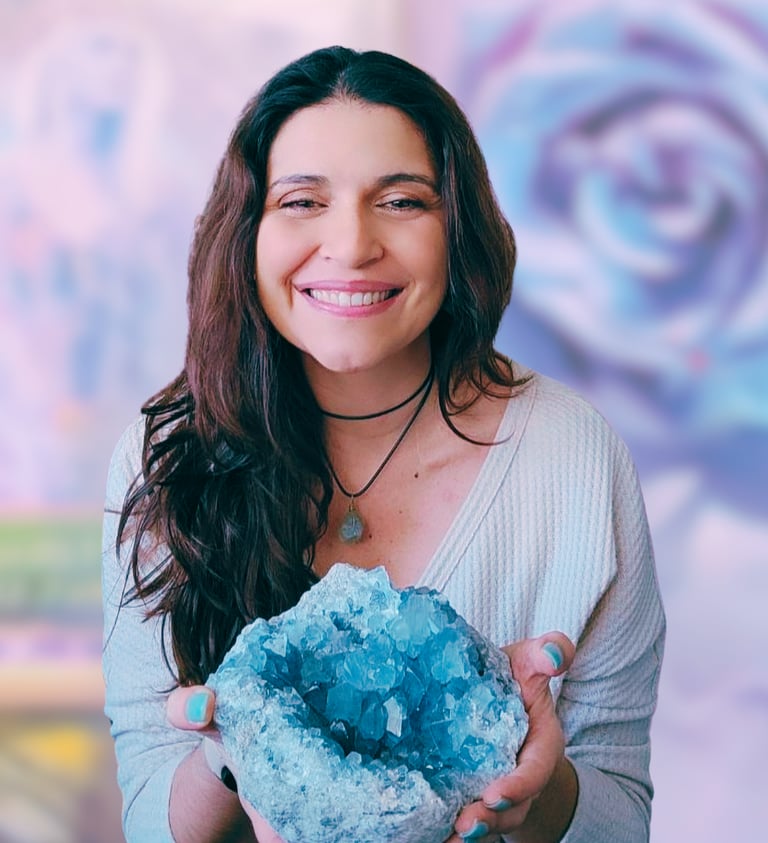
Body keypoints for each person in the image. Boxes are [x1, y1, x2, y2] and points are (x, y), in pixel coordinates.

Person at [102, 46, 665, 843]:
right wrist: (231, 753)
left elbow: (621, 816)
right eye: (302, 201)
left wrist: (541, 791)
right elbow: (148, 816)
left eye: (401, 201)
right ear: (248, 230)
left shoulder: (575, 456)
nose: (352, 244)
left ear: (457, 226)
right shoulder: (163, 456)